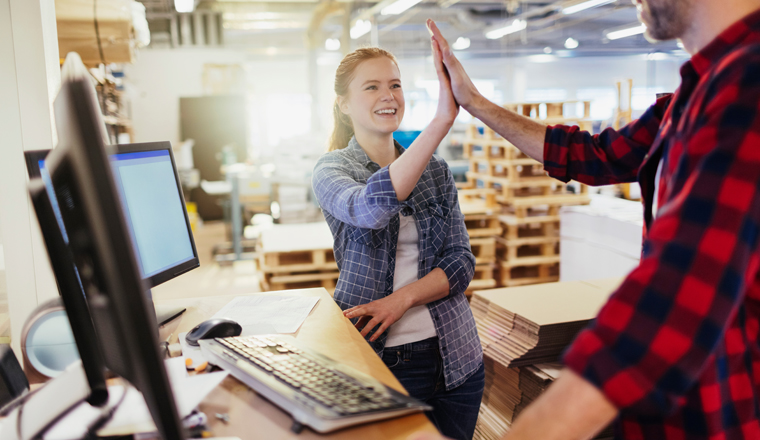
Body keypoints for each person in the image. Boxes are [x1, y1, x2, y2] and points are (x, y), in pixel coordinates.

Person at [418, 0, 760, 437]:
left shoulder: (747, 87)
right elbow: (594, 156)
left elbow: (674, 300)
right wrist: (476, 103)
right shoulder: (696, 95)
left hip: (724, 409)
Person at [311, 43, 485, 440]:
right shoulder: (333, 169)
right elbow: (369, 210)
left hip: (456, 356)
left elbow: (461, 262)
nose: (388, 96)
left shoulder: (436, 171)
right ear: (343, 105)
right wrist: (441, 122)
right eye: (371, 87)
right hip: (381, 360)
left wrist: (403, 298)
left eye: (395, 84)